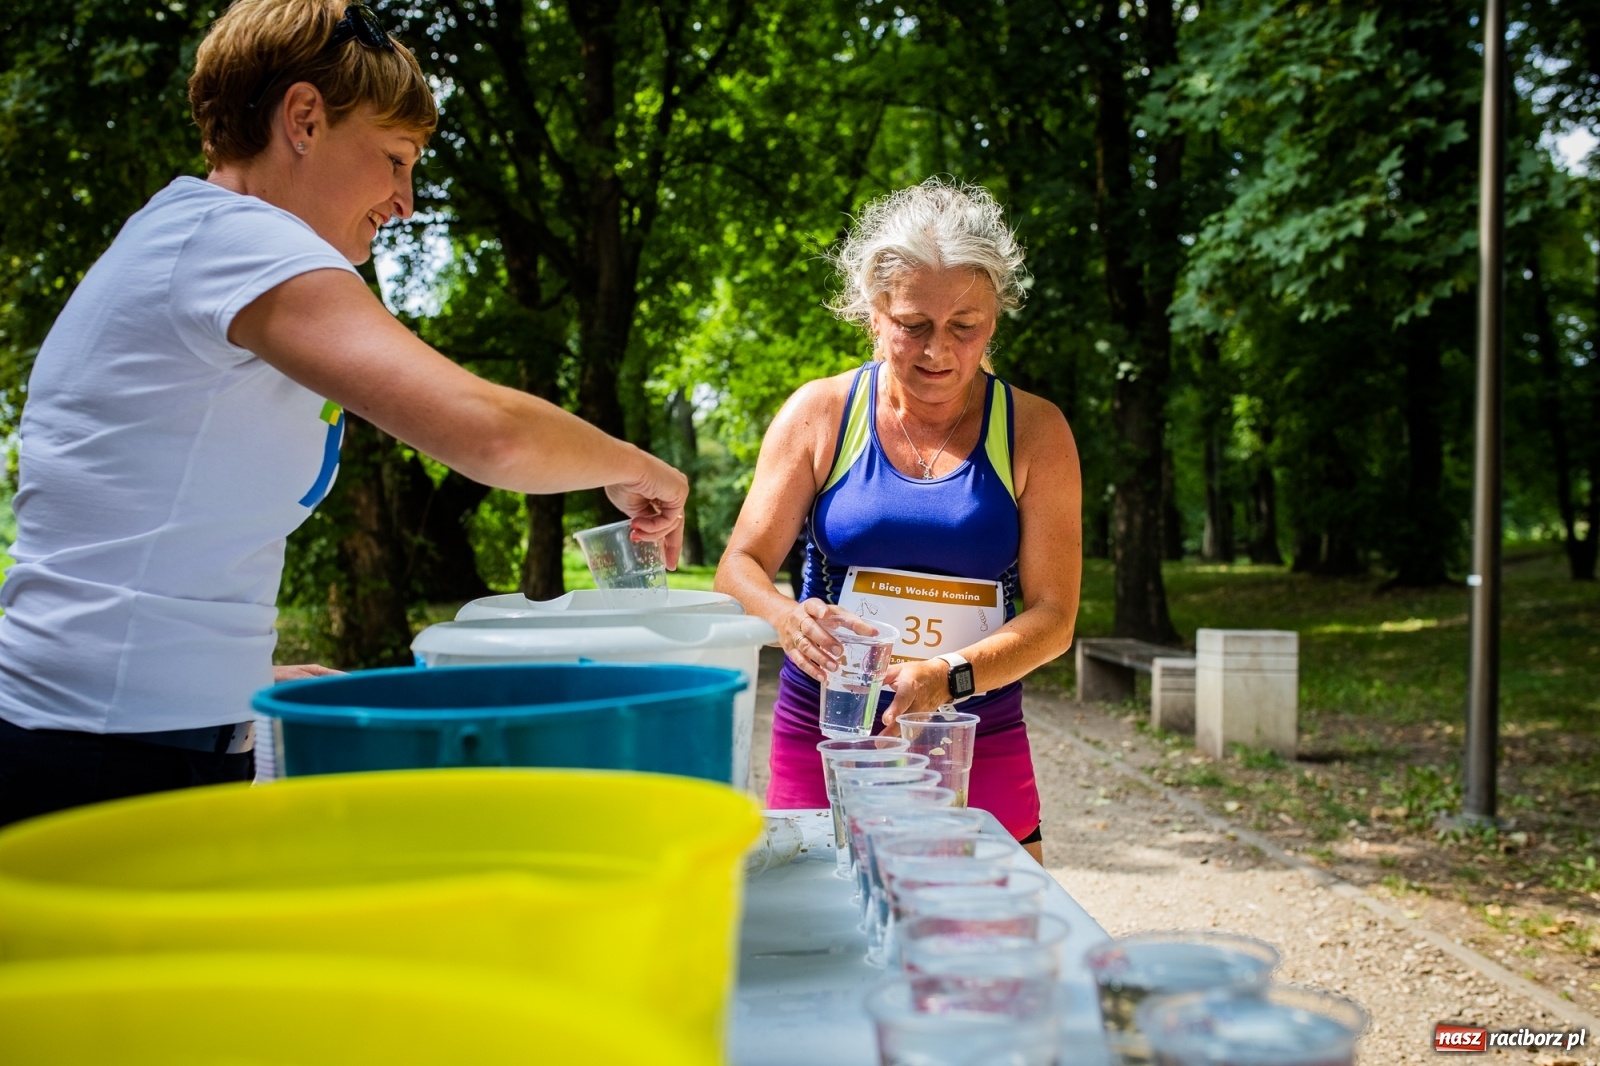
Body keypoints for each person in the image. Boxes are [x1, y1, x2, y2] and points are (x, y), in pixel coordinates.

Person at [0, 0, 687, 829]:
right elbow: (489, 433)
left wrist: (232, 675)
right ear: (303, 119)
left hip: (113, 734)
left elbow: (144, 538)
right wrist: (638, 467)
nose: (406, 200)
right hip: (103, 757)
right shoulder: (235, 240)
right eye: (395, 158)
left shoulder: (188, 240)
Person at [715, 179, 1081, 862]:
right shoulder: (819, 414)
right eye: (913, 326)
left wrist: (950, 676)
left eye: (963, 328)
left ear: (994, 318)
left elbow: (1055, 618)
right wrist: (788, 620)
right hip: (829, 731)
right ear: (874, 315)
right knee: (822, 941)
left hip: (977, 733)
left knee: (991, 951)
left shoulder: (1035, 430)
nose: (937, 351)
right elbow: (737, 570)